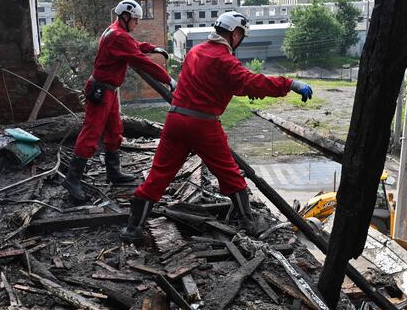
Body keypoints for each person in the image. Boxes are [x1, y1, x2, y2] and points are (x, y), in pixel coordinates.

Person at [119, 12, 314, 244]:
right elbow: (249, 82)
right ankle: (248, 222)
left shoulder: (194, 52)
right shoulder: (225, 60)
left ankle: (133, 228)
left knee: (158, 175)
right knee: (228, 172)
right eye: (241, 35)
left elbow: (214, 83)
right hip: (203, 125)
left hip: (175, 119)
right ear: (235, 33)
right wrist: (290, 84)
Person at [62, 0, 173, 203]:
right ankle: (72, 179)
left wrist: (150, 47)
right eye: (135, 20)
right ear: (125, 17)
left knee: (115, 130)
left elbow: (133, 44)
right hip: (101, 91)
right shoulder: (118, 36)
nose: (137, 24)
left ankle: (113, 173)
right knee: (91, 133)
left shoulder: (115, 30)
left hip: (109, 90)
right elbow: (138, 59)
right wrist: (168, 80)